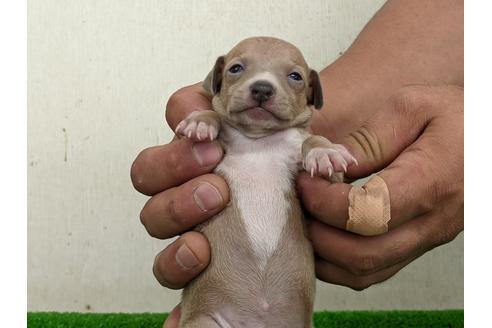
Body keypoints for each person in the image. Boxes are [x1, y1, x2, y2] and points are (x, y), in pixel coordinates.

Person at [130, 0, 463, 326]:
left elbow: (320, 158)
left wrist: (320, 150)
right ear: (217, 81)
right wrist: (204, 120)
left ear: (310, 96)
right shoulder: (215, 135)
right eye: (237, 69)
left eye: (292, 77)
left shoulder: (303, 145)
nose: (262, 86)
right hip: (216, 315)